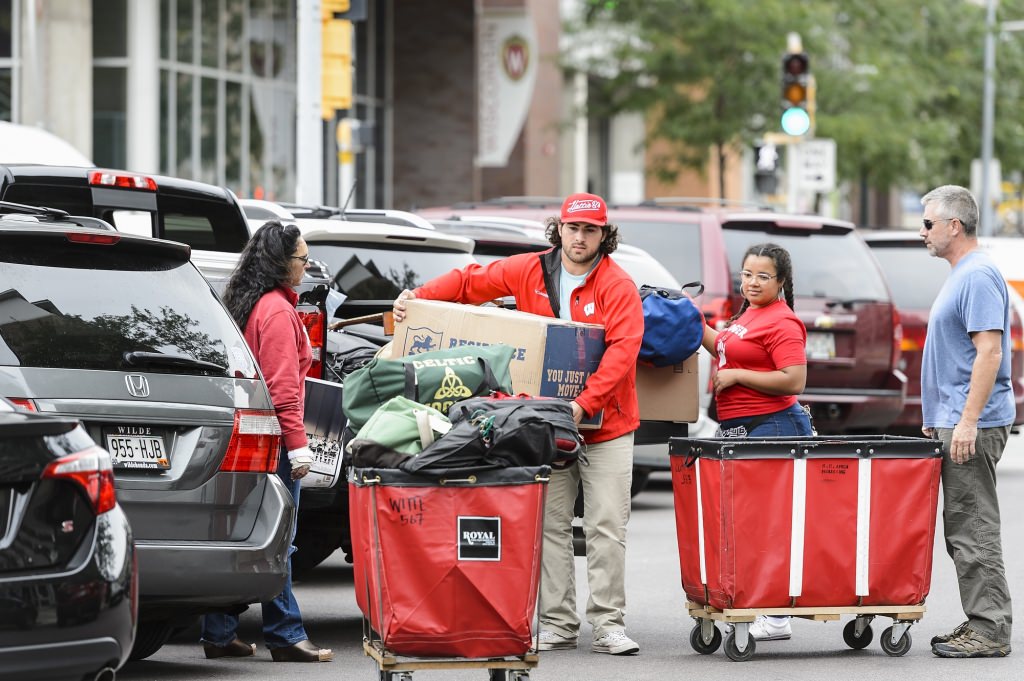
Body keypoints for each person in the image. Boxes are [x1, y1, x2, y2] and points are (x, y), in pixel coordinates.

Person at [392, 192, 644, 655]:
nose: (580, 237)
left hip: (606, 425)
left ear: (604, 236)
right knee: (551, 523)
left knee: (606, 526)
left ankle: (608, 623)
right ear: (560, 229)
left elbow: (623, 353)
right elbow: (470, 282)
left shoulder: (617, 285)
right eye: (573, 228)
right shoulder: (530, 269)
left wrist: (583, 405)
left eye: (591, 230)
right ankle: (558, 623)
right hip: (543, 422)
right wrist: (418, 298)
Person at [200, 221, 334, 663]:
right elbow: (283, 391)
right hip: (275, 444)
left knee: (241, 533)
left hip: (249, 439)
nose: (306, 265)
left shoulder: (253, 303)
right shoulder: (277, 312)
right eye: (302, 258)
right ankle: (285, 634)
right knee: (281, 540)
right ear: (281, 263)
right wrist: (298, 448)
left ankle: (219, 633)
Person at [700, 242, 812, 642]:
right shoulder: (750, 312)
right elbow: (729, 347)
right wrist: (695, 326)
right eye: (747, 274)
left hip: (773, 425)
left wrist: (738, 376)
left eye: (763, 277)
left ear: (781, 282)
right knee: (745, 521)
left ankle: (777, 618)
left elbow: (794, 380)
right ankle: (760, 605)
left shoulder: (783, 321)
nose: (752, 282)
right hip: (740, 427)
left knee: (769, 525)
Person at [919, 185, 1013, 658]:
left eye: (929, 224)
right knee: (962, 527)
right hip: (952, 420)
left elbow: (989, 351)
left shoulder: (977, 276)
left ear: (954, 225)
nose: (923, 233)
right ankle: (981, 618)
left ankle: (991, 629)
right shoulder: (963, 274)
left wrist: (967, 421)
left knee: (972, 527)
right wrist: (937, 416)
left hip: (970, 425)